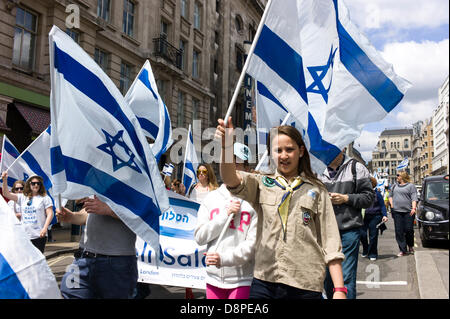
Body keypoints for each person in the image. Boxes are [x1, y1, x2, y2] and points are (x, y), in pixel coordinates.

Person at [216, 119, 346, 299]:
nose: (283, 155)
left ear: (300, 151)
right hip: (265, 281)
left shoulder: (317, 190)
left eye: (289, 149)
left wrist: (339, 290)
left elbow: (331, 242)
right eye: (278, 150)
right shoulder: (261, 183)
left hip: (305, 283)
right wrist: (227, 147)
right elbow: (230, 179)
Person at [194, 143, 258, 299]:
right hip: (213, 279)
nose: (234, 168)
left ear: (248, 169)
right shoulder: (211, 198)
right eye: (230, 163)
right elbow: (200, 237)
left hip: (242, 280)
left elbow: (252, 246)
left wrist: (223, 259)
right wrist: (225, 214)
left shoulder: (254, 203)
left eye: (239, 164)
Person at [57, 196, 138, 299]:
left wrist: (109, 210)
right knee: (69, 293)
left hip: (116, 263)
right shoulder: (96, 183)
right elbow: (87, 214)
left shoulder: (138, 182)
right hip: (83, 258)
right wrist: (71, 216)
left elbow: (144, 216)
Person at [319, 150, 374, 299]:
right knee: (327, 279)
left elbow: (369, 198)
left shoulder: (357, 168)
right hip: (324, 232)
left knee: (346, 277)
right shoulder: (317, 169)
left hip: (348, 230)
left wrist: (346, 198)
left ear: (342, 149)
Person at [2, 172, 54, 253]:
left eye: (38, 183)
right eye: (33, 183)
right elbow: (6, 194)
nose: (36, 185)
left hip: (39, 235)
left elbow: (50, 213)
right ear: (29, 184)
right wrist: (4, 180)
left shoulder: (45, 198)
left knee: (37, 261)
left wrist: (45, 228)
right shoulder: (22, 197)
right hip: (24, 236)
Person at [389, 171, 418, 256]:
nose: (396, 176)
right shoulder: (394, 186)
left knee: (409, 230)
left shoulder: (411, 186)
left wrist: (413, 208)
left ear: (402, 176)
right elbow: (390, 196)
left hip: (408, 212)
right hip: (397, 212)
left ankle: (410, 245)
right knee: (399, 231)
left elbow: (414, 198)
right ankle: (402, 250)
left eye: (398, 175)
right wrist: (392, 205)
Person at [360, 177, 388, 261]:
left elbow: (382, 205)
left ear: (372, 184)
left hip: (375, 216)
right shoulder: (362, 194)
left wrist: (385, 215)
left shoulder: (377, 194)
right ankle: (366, 249)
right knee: (362, 235)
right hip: (363, 217)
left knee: (373, 236)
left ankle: (373, 253)